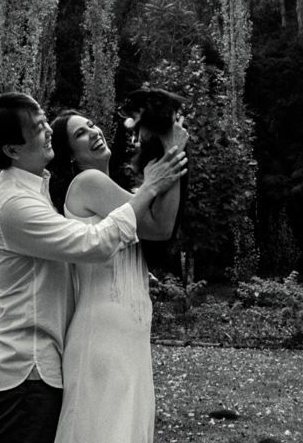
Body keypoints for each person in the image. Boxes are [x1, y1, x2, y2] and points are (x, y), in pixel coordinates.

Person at [0, 92, 188, 443]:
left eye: (46, 122)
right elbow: (94, 244)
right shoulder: (15, 204)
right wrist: (153, 183)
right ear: (12, 149)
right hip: (25, 368)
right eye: (38, 127)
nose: (46, 130)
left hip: (43, 365)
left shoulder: (38, 190)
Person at [46, 107, 186, 443]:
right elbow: (153, 226)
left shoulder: (120, 192)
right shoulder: (87, 182)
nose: (94, 132)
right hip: (102, 335)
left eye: (92, 124)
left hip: (131, 334)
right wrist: (170, 157)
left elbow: (163, 225)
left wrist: (173, 156)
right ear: (70, 156)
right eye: (80, 133)